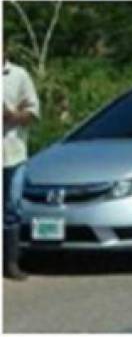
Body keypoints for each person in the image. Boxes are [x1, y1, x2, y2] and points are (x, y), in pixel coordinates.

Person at [4, 52, 41, 280]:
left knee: (13, 208)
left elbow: (33, 112)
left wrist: (13, 116)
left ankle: (11, 263)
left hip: (13, 154)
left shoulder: (18, 75)